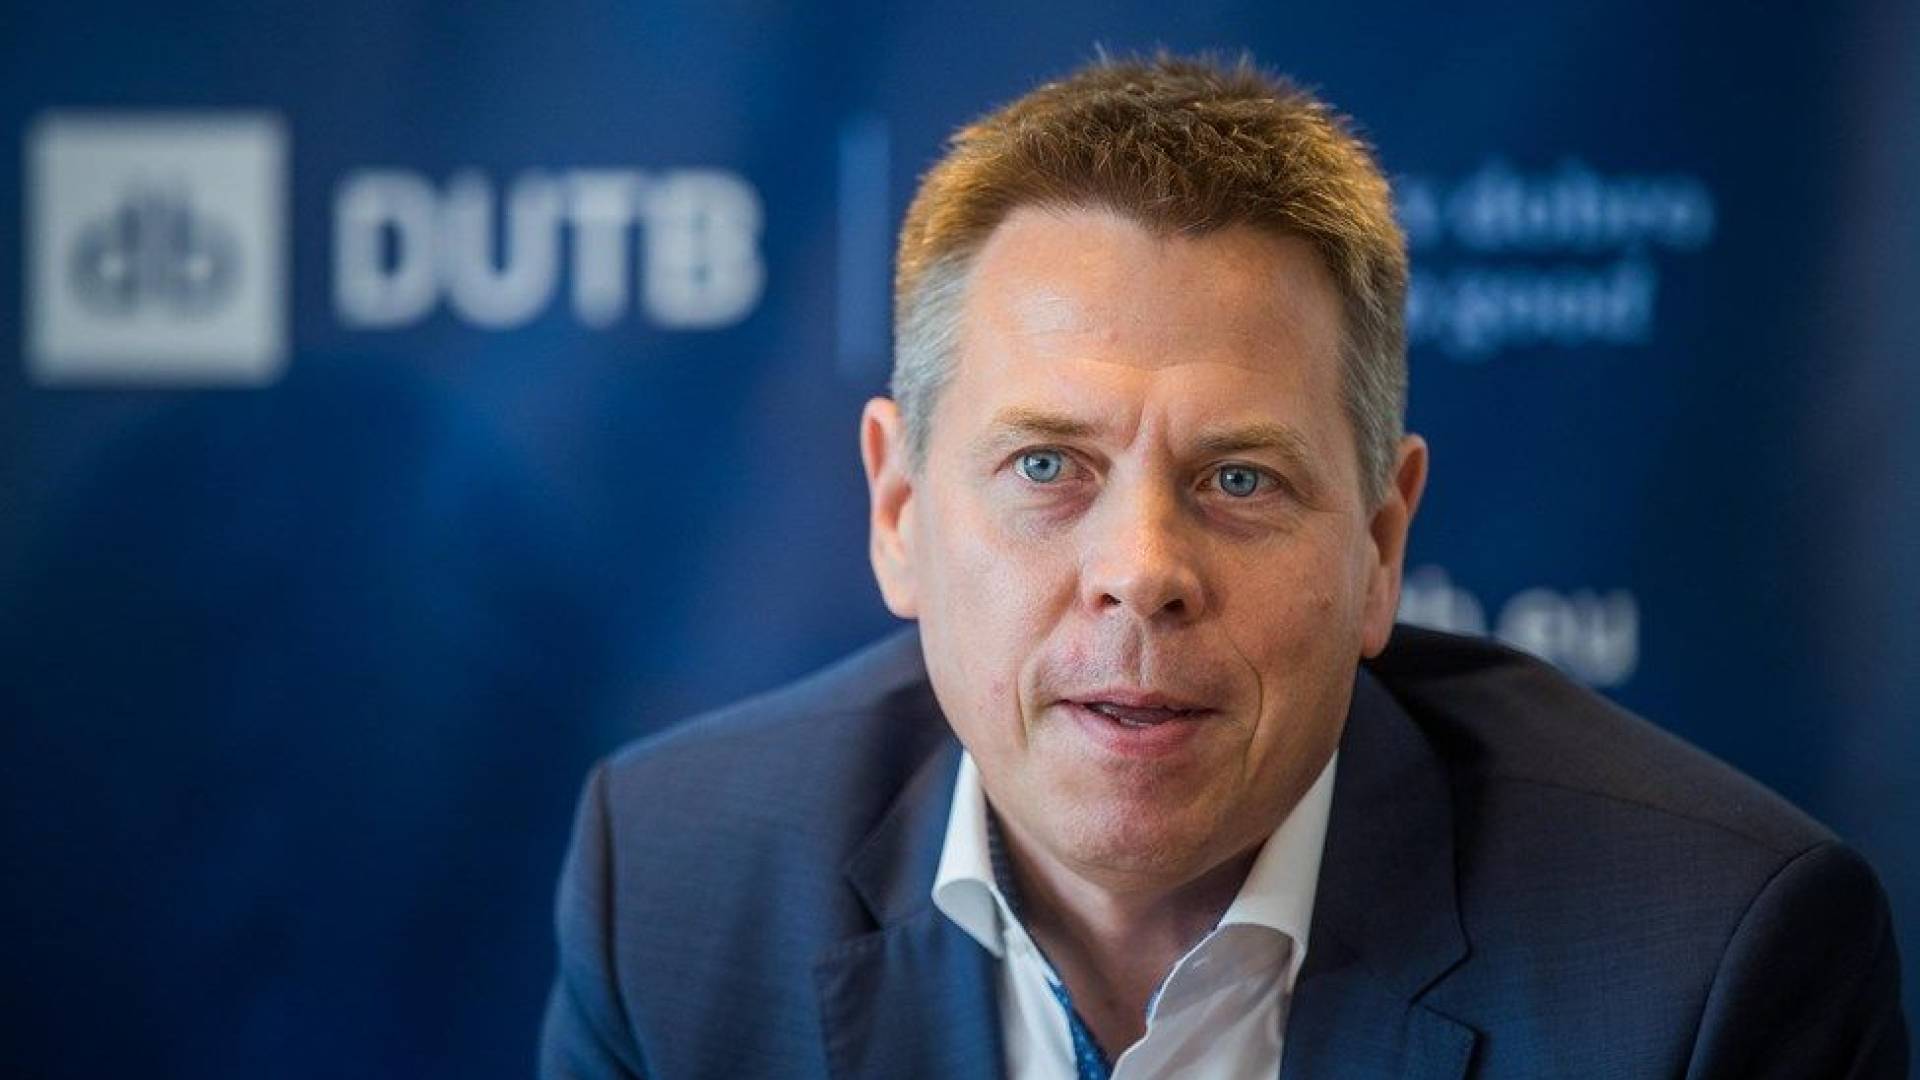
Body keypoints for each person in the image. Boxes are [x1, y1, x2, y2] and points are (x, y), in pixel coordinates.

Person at [539, 54, 1908, 1078]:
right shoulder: (671, 884)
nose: (1142, 570)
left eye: (1240, 478)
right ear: (897, 509)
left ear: (1379, 545)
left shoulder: (1704, 967)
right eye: (1047, 466)